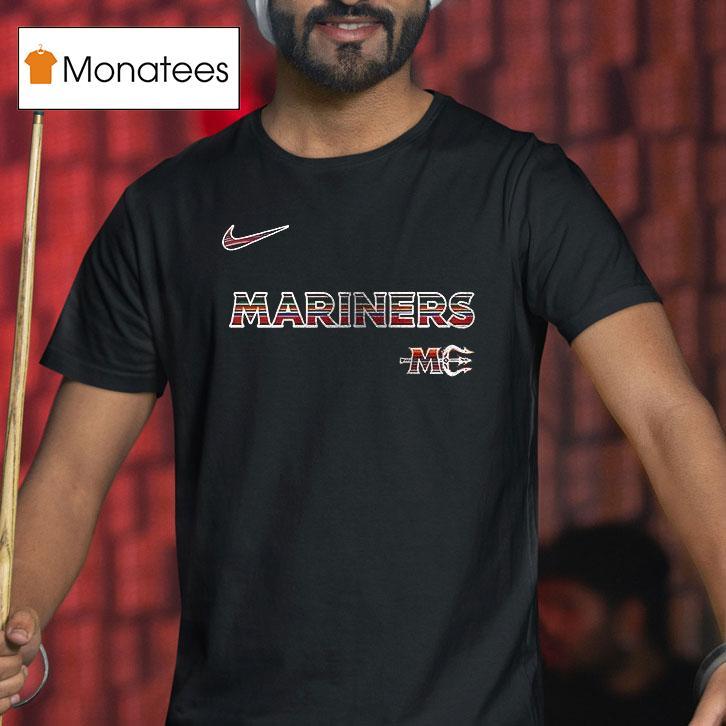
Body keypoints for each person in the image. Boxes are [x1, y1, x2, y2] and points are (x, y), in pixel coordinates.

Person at [1, 0, 725, 722]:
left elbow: (664, 414)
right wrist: (15, 622)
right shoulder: (166, 210)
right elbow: (70, 475)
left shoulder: (524, 188)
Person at [538, 522, 699, 725]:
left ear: (630, 619)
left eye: (567, 607)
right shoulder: (545, 703)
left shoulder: (702, 698)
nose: (550, 627)